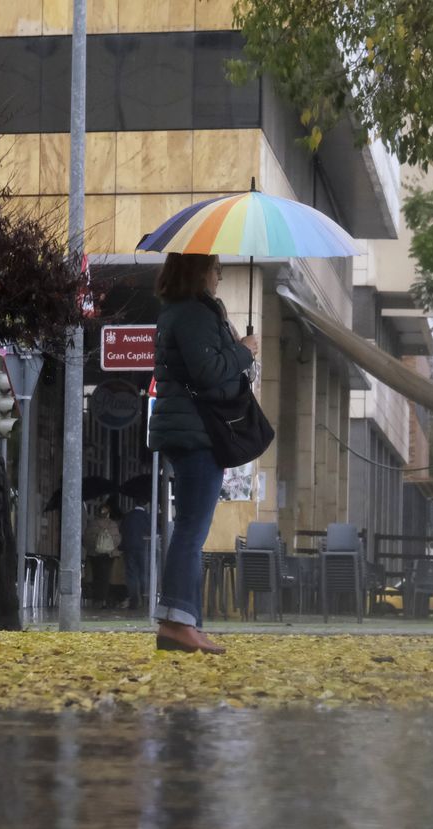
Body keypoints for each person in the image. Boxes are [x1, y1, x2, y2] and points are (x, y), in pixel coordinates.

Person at [148, 252, 260, 654]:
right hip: (196, 430)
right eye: (215, 268)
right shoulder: (192, 314)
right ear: (198, 271)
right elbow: (208, 371)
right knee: (191, 530)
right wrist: (244, 350)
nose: (220, 276)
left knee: (191, 528)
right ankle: (178, 621)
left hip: (189, 428)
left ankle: (187, 621)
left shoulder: (186, 312)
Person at [83, 499, 122, 608]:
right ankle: (104, 599)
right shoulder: (113, 524)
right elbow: (117, 539)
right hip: (109, 555)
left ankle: (97, 599)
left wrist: (94, 546)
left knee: (96, 576)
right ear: (108, 513)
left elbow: (86, 539)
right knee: (106, 577)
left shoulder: (92, 523)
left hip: (94, 555)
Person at [120, 501, 151, 614]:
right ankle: (145, 599)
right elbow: (153, 532)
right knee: (144, 573)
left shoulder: (128, 516)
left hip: (129, 549)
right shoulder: (147, 517)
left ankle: (134, 601)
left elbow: (121, 530)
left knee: (131, 574)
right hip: (144, 548)